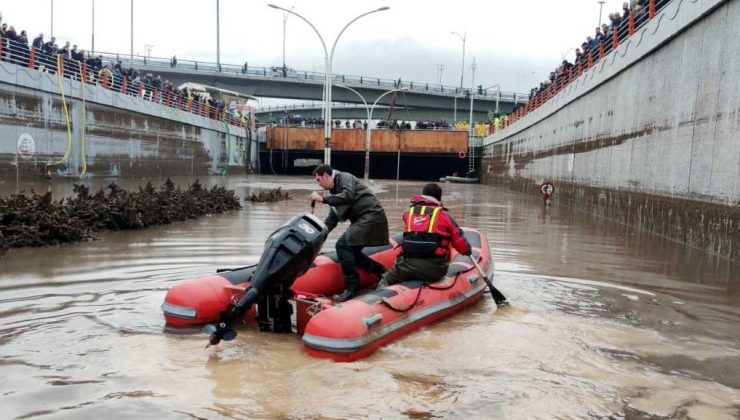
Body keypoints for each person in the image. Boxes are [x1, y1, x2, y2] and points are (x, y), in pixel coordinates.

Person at [309, 164, 389, 301]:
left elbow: (347, 196)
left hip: (371, 216)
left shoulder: (344, 177)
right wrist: (316, 238)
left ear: (326, 176)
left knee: (342, 245)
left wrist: (323, 199)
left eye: (318, 180)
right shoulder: (335, 194)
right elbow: (331, 221)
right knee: (353, 252)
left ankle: (352, 286)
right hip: (363, 220)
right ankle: (382, 272)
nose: (319, 184)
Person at [377, 183, 471, 289]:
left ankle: (378, 300)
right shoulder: (444, 216)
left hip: (406, 266)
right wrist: (468, 251)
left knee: (386, 279)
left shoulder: (408, 213)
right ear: (439, 198)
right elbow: (461, 244)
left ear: (422, 195)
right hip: (434, 270)